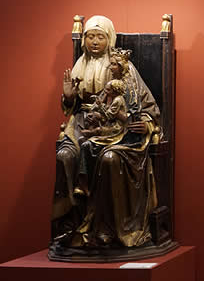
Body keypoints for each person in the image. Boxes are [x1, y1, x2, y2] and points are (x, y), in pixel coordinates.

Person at [51, 17, 162, 255]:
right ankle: (71, 225)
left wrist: (147, 124)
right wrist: (69, 97)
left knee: (109, 159)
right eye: (90, 36)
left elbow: (146, 106)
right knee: (65, 155)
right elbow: (72, 106)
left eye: (100, 36)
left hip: (116, 128)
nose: (94, 42)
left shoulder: (123, 66)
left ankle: (108, 227)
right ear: (84, 39)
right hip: (81, 123)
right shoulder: (80, 65)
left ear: (109, 39)